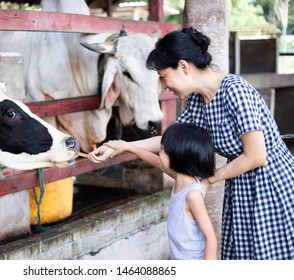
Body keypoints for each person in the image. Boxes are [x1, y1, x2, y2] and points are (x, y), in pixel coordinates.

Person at [89, 27, 294, 260]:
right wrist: (121, 145)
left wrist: (209, 179)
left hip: (270, 182)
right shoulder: (197, 101)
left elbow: (256, 155)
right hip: (239, 185)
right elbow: (168, 142)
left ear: (183, 67)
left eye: (164, 77)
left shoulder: (235, 91)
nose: (164, 86)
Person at [106, 123, 217, 260]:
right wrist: (128, 147)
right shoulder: (180, 179)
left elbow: (211, 238)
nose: (159, 152)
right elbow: (158, 162)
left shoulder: (192, 195)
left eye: (162, 150)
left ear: (178, 156)